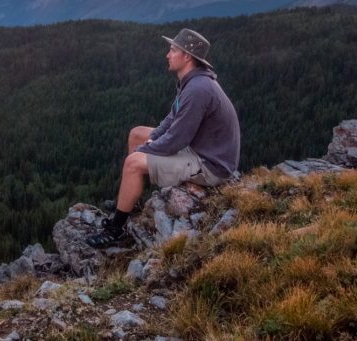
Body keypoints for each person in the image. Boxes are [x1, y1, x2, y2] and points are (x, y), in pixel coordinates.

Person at [85, 28, 241, 248]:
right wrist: (150, 141)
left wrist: (147, 150)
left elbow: (177, 139)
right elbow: (170, 120)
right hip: (201, 149)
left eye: (172, 50)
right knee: (136, 134)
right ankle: (132, 202)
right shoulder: (190, 82)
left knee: (133, 163)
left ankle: (115, 230)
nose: (167, 55)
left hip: (211, 165)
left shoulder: (198, 89)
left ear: (187, 56)